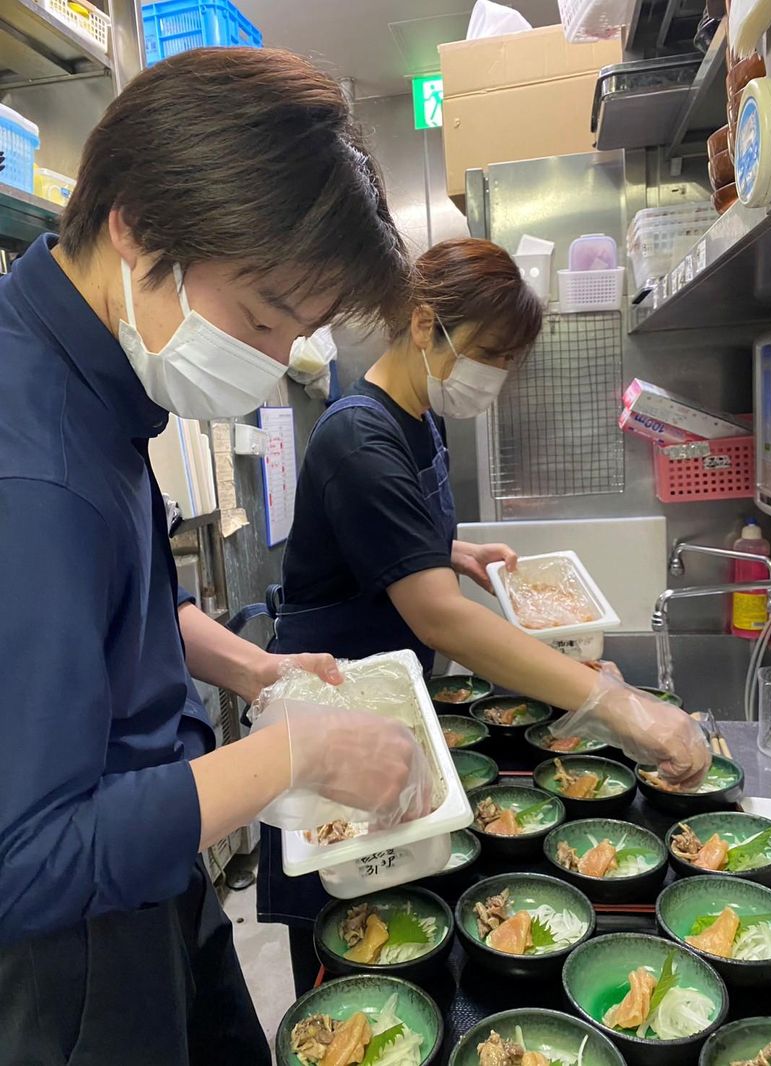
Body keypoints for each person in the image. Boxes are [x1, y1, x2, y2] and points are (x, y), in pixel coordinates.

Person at [0, 48, 434, 1066]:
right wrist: (293, 753)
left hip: (160, 870)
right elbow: (24, 862)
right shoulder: (35, 472)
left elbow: (124, 598)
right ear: (137, 226)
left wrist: (255, 668)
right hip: (75, 950)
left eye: (301, 332)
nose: (273, 360)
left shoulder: (90, 368)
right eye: (260, 318)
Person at [260, 237, 711, 973]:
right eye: (489, 352)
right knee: (346, 946)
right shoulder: (357, 436)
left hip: (387, 702)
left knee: (403, 925)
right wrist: (616, 704)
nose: (495, 374)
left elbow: (392, 542)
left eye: (508, 359)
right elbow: (441, 617)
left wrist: (448, 551)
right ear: (423, 323)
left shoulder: (420, 418)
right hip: (332, 708)